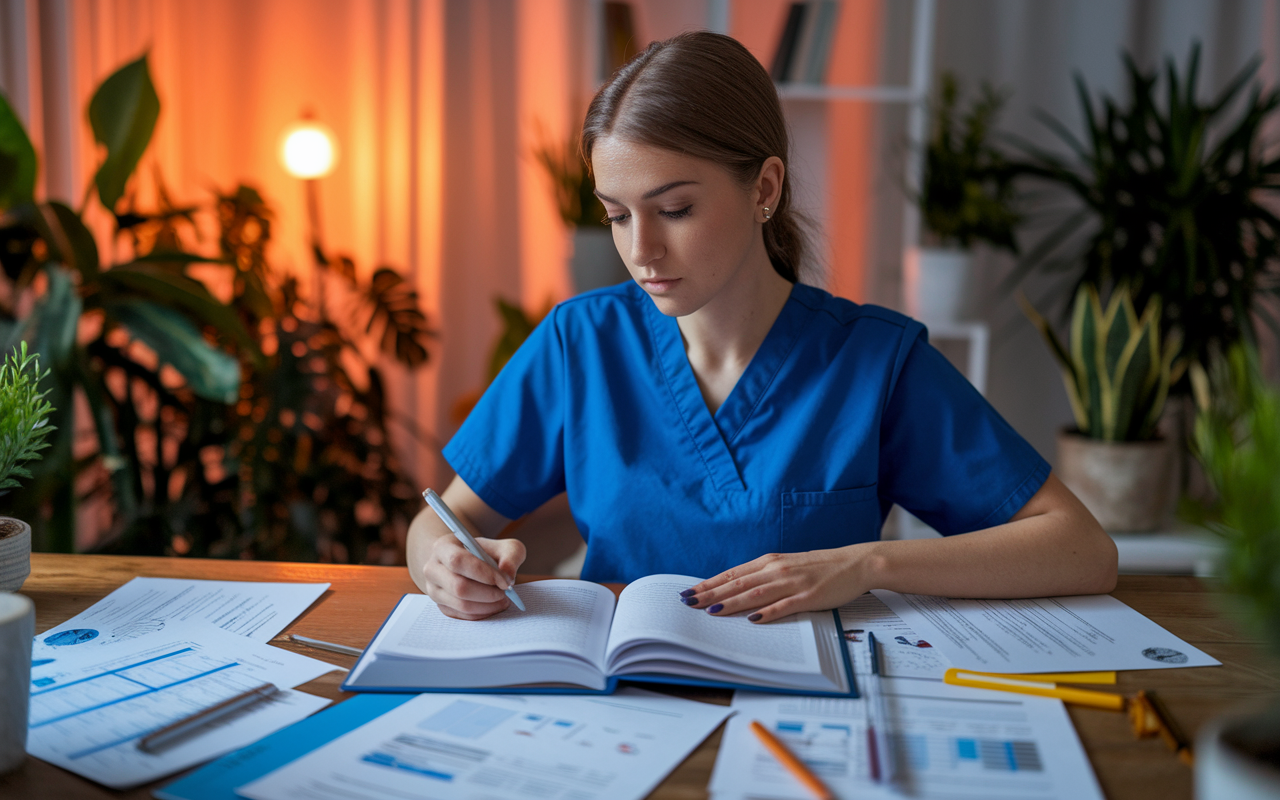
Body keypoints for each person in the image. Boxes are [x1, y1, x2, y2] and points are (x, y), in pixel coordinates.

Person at [407, 31, 1117, 623]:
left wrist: (866, 564)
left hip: (809, 714)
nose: (641, 252)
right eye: (617, 216)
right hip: (619, 707)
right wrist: (445, 563)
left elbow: (1083, 550)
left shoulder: (878, 362)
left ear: (765, 189)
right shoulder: (578, 343)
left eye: (675, 210)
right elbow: (443, 519)